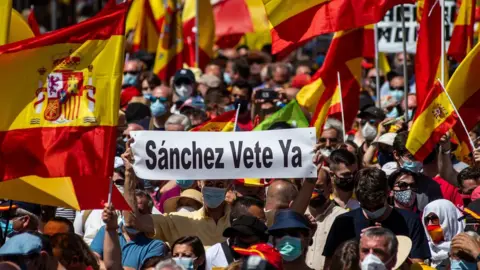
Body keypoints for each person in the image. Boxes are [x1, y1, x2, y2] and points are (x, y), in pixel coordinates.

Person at [323, 168, 430, 269]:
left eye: (378, 206)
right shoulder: (343, 222)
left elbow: (417, 265)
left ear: (388, 192)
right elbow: (329, 265)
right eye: (367, 207)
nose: (373, 211)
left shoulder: (410, 221)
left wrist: (392, 246)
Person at [93, 203, 167, 270]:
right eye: (132, 211)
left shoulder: (155, 245)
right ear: (122, 211)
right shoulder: (105, 231)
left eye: (141, 212)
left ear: (149, 215)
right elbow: (92, 259)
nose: (135, 217)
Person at [205, 196, 267, 269]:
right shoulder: (212, 255)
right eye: (259, 221)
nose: (264, 224)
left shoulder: (269, 252)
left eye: (264, 220)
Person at [305, 168, 347, 270]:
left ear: (329, 186)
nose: (313, 192)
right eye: (310, 187)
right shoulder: (297, 216)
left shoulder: (343, 218)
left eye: (318, 187)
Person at [392, 131, 443, 211]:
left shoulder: (431, 186)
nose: (416, 161)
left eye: (419, 156)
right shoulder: (384, 183)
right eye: (411, 157)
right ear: (396, 155)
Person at [421, 199, 465, 268]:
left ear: (450, 219)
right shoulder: (423, 252)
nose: (430, 225)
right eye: (427, 220)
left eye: (434, 219)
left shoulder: (469, 250)